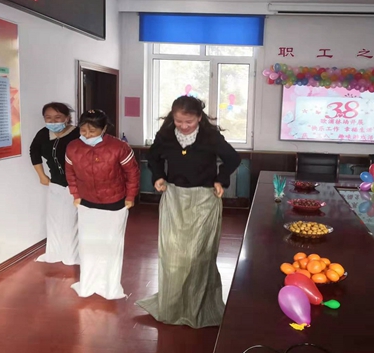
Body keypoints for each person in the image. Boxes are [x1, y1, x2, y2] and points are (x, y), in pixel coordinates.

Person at [136, 96, 241, 328]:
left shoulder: (210, 136)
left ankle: (197, 306)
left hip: (204, 199)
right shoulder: (166, 135)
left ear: (199, 118)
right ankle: (173, 305)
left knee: (198, 256)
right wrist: (158, 176)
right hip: (175, 198)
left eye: (189, 122)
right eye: (179, 121)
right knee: (173, 255)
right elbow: (153, 157)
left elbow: (233, 158)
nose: (183, 126)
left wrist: (221, 179)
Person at [65, 109, 140, 300]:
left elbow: (132, 173)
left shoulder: (119, 147)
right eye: (83, 131)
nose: (87, 135)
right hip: (86, 202)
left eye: (92, 131)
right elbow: (70, 173)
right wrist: (76, 194)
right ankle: (89, 283)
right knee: (88, 244)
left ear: (104, 129)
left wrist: (130, 196)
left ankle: (109, 285)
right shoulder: (73, 147)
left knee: (110, 245)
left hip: (115, 202)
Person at [30, 102, 81, 266]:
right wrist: (41, 175)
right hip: (56, 183)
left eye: (58, 117)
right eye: (48, 118)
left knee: (72, 221)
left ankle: (72, 255)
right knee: (54, 220)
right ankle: (55, 252)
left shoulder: (78, 133)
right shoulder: (43, 134)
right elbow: (34, 152)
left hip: (77, 185)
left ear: (67, 118)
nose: (53, 121)